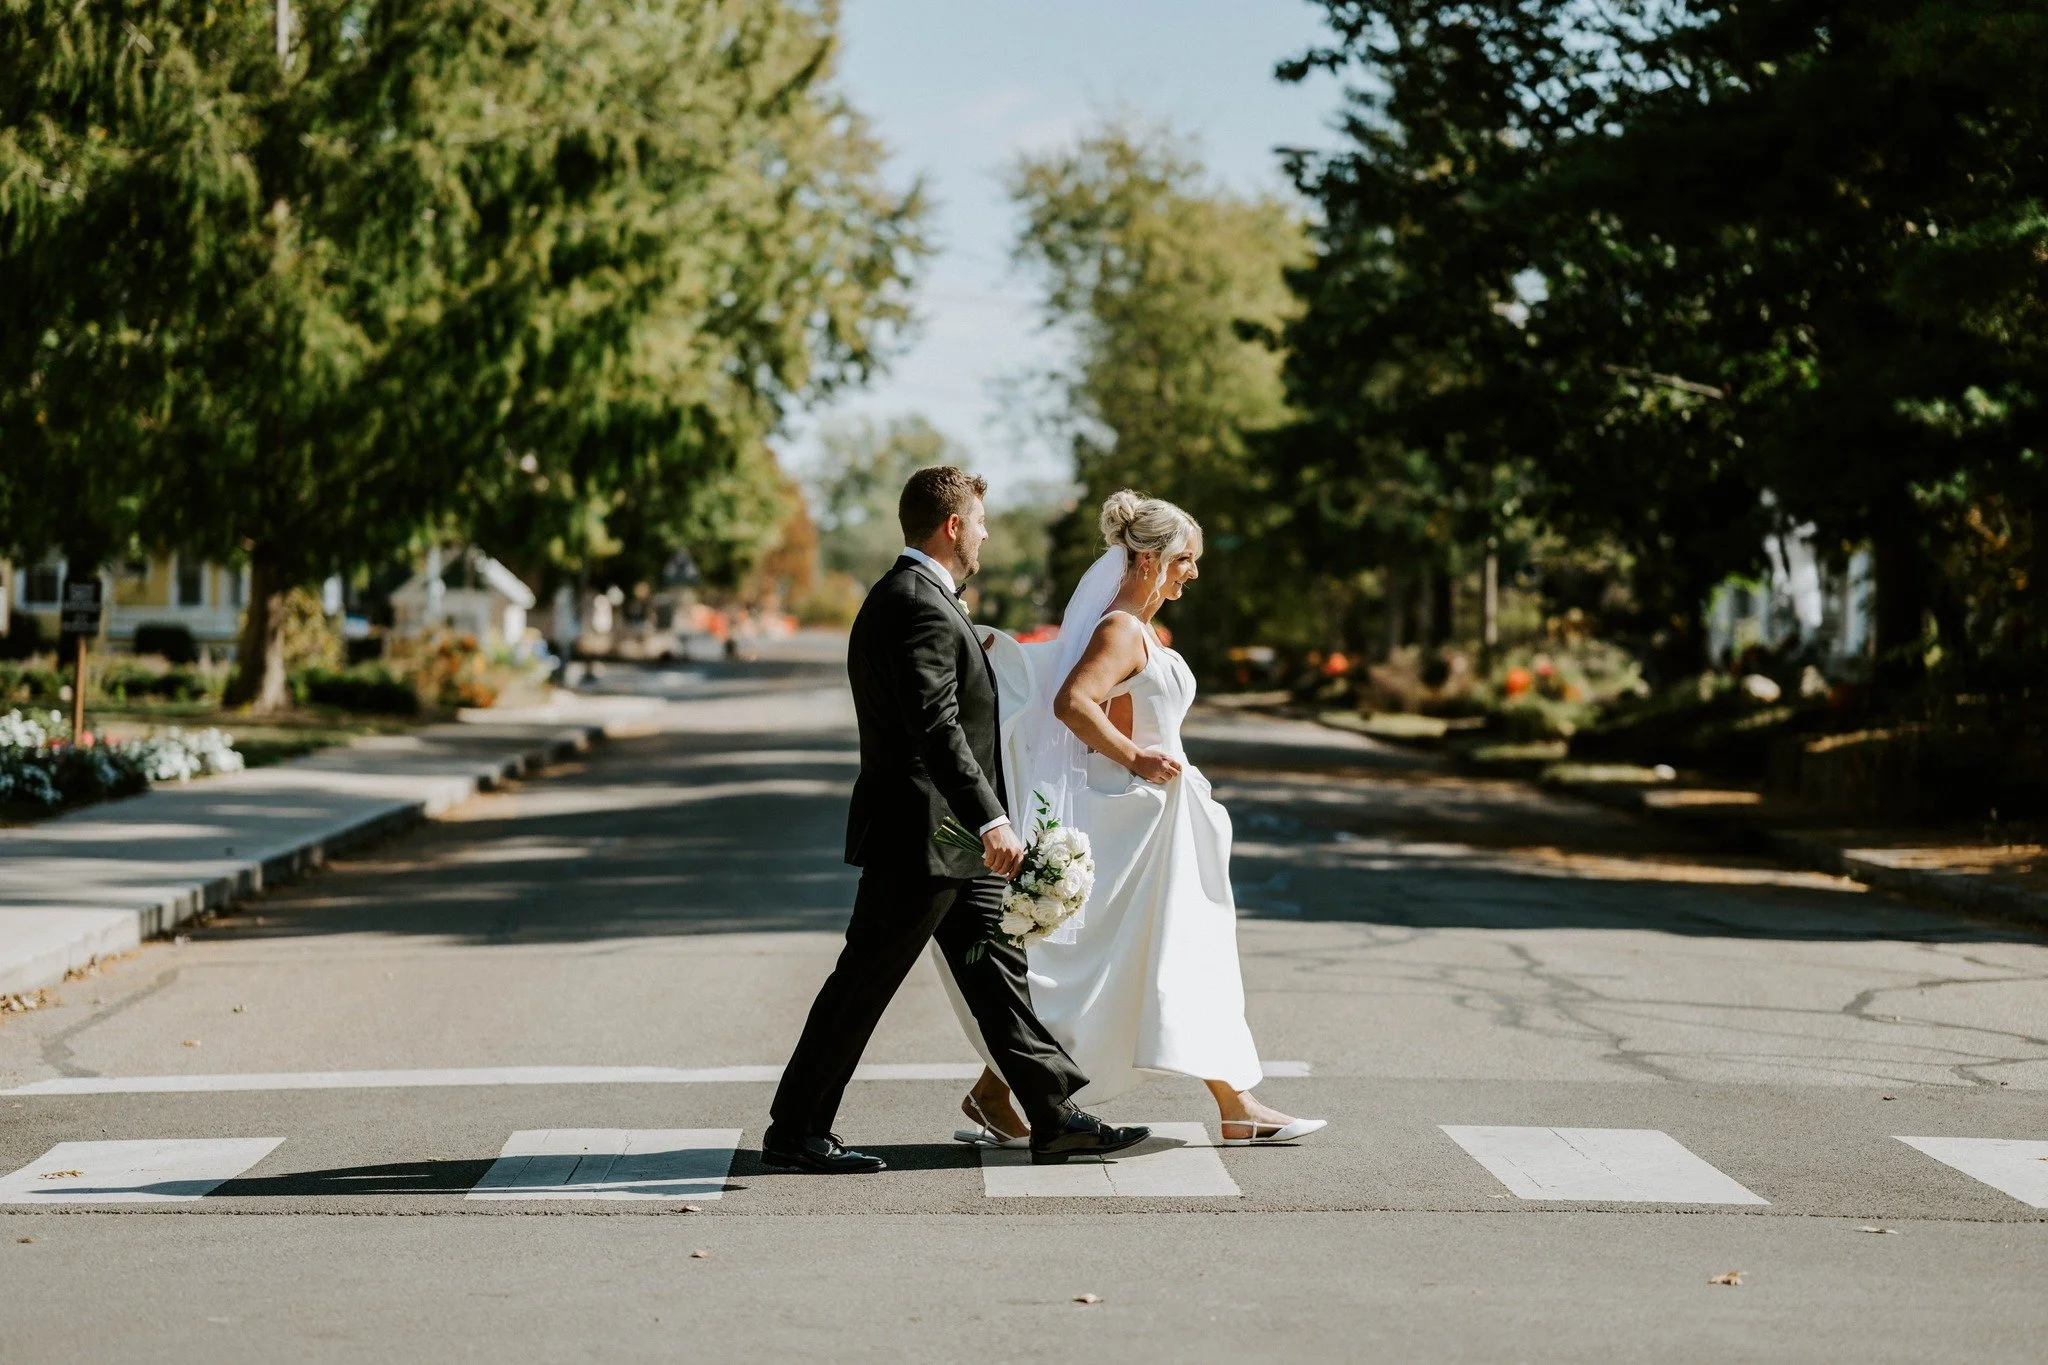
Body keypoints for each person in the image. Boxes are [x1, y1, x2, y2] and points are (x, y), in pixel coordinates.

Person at [762, 466, 1151, 1173]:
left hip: (945, 839)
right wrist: (991, 819)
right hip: (924, 835)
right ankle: (794, 1129)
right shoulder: (915, 602)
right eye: (979, 521)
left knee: (996, 972)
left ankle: (1054, 1115)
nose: (986, 534)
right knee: (864, 980)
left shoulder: (918, 598)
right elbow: (934, 726)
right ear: (952, 527)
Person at [950, 491, 1326, 1148]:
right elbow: (1074, 702)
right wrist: (1136, 759)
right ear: (1149, 558)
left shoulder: (1137, 629)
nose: (1194, 571)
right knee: (1147, 966)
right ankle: (1237, 1105)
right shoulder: (1120, 631)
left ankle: (994, 1090)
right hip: (1142, 832)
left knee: (1159, 965)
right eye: (1185, 558)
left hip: (1166, 829)